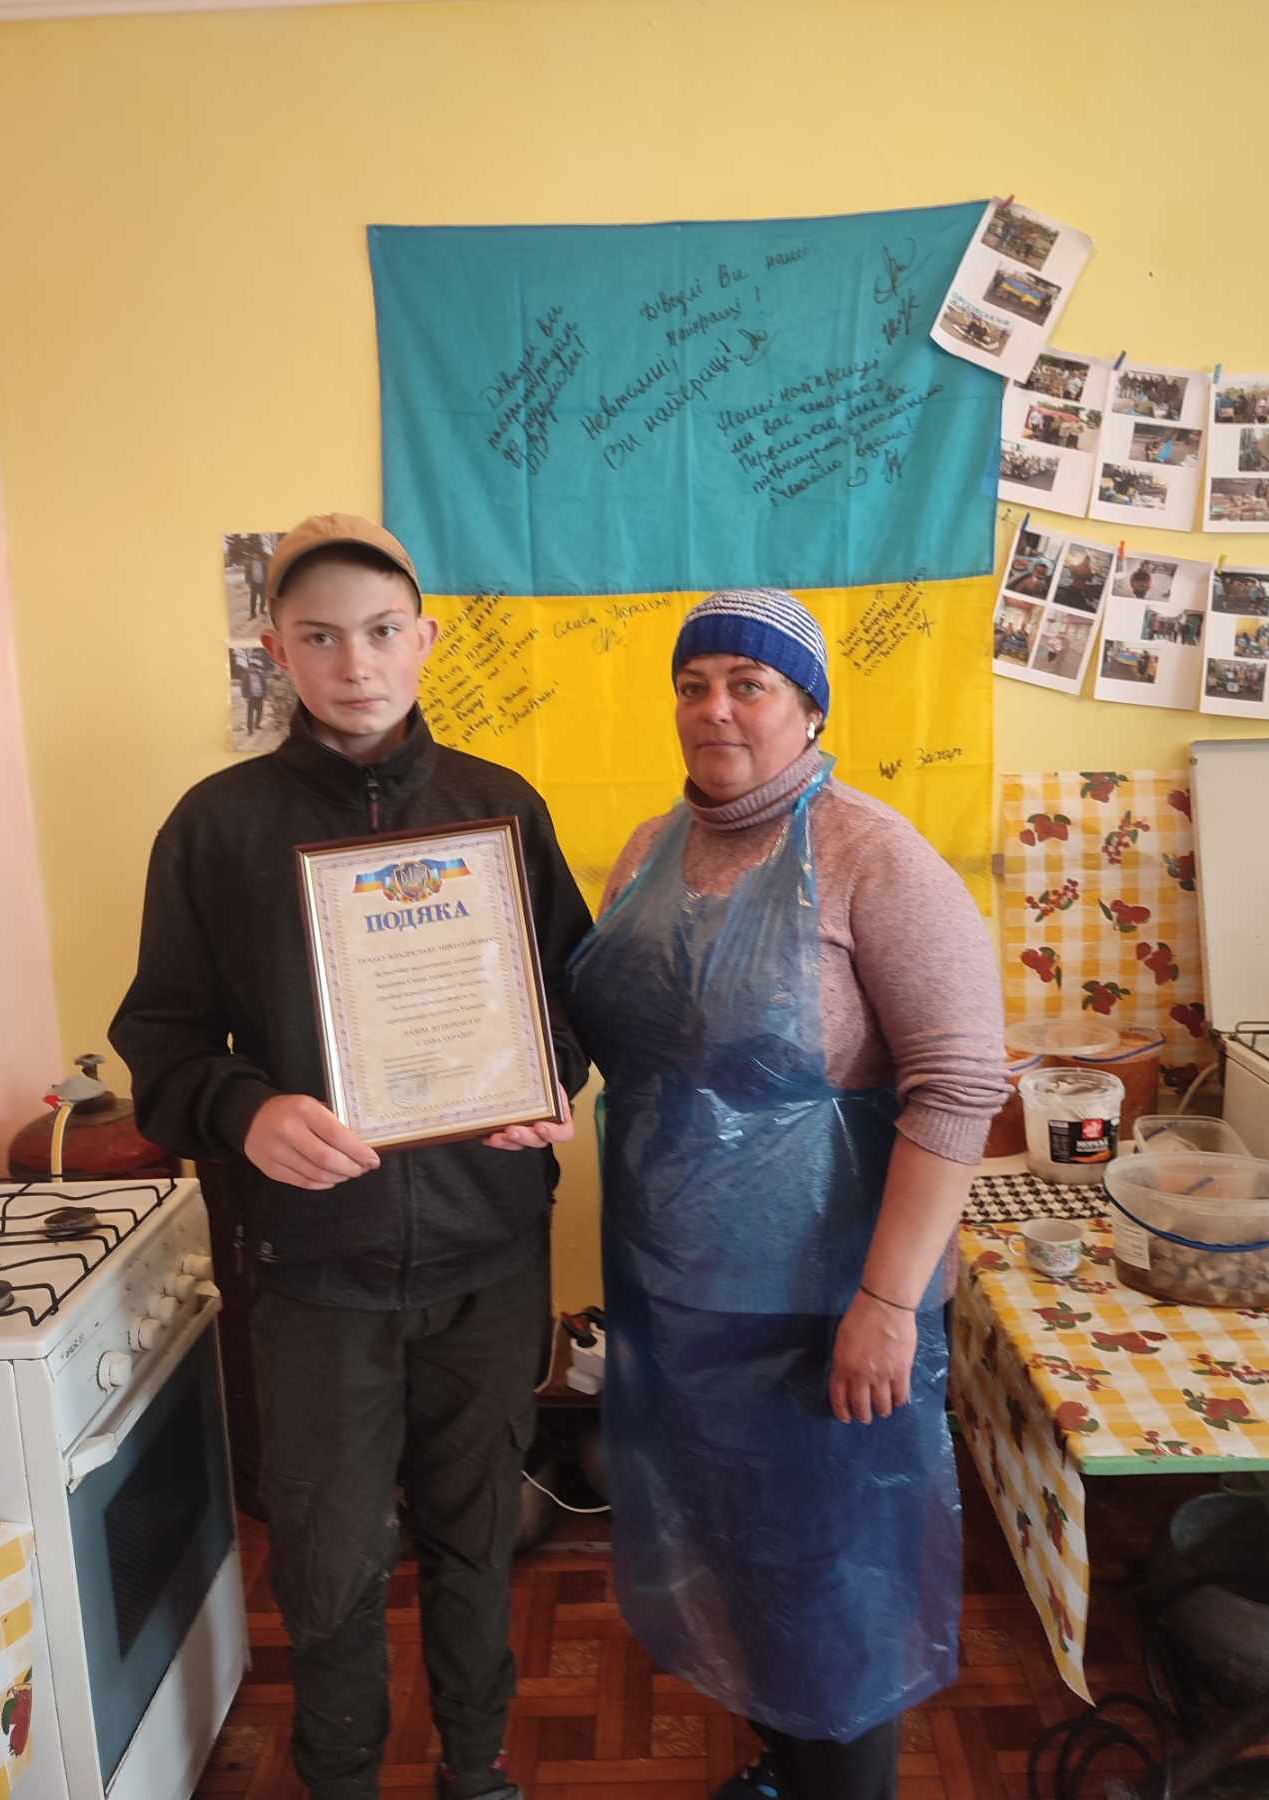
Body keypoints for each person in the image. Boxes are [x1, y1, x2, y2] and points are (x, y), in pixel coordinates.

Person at [111, 513, 593, 1800]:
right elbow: (160, 1040)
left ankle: (478, 1770)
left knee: (478, 1534)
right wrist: (244, 1111)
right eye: (319, 637)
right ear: (277, 651)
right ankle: (341, 1779)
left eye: (381, 632)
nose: (356, 662)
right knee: (327, 1556)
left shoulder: (500, 807)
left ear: (425, 638)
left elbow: (571, 1000)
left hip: (490, 1254)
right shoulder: (217, 827)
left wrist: (550, 1080)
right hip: (314, 1269)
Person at [563, 591, 1007, 1800]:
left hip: (828, 1311)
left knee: (836, 1589)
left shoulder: (874, 856)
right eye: (694, 683)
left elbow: (961, 1086)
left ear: (809, 710)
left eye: (749, 684)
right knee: (740, 1560)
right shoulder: (650, 850)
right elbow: (615, 1044)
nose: (716, 708)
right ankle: (781, 1768)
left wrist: (889, 1301)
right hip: (675, 1298)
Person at [241, 652, 267, 735]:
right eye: (251, 667)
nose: (253, 668)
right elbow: (243, 687)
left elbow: (264, 685)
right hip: (251, 697)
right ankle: (250, 730)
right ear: (249, 668)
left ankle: (257, 725)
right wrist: (245, 696)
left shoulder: (260, 675)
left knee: (260, 712)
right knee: (250, 714)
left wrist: (264, 694)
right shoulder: (246, 675)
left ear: (256, 668)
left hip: (260, 696)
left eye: (254, 667)